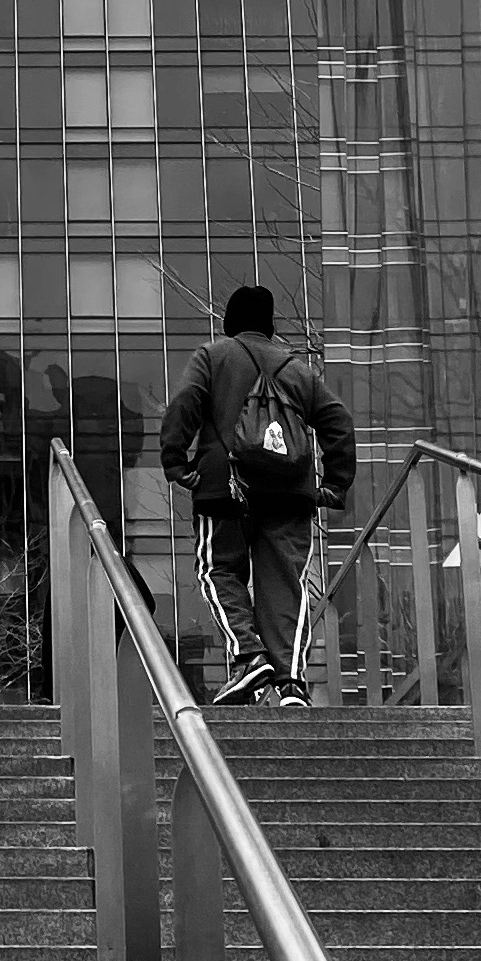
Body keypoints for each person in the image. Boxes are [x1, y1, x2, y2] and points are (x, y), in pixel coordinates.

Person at [160, 284, 355, 707]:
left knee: (218, 570)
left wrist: (176, 460)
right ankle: (290, 684)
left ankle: (249, 656)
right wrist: (334, 485)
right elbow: (338, 422)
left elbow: (186, 403)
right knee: (286, 584)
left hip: (224, 489)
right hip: (290, 494)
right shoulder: (297, 370)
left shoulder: (213, 357)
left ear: (230, 323)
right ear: (269, 325)